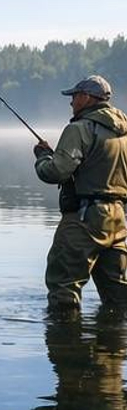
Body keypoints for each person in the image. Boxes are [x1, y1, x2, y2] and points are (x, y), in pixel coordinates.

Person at [33, 74, 127, 314]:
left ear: (86, 98)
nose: (71, 102)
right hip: (118, 220)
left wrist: (43, 157)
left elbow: (56, 172)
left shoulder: (80, 129)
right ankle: (115, 347)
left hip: (84, 219)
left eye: (74, 96)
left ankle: (67, 345)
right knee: (119, 297)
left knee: (63, 287)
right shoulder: (124, 132)